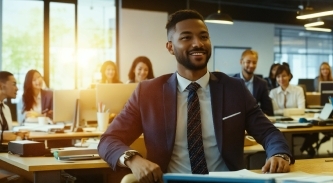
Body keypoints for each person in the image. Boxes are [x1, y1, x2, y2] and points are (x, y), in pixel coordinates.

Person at [98, 10, 292, 183]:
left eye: (203, 36)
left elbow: (269, 133)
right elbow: (109, 140)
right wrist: (134, 160)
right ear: (170, 47)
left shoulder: (235, 89)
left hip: (227, 180)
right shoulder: (148, 92)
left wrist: (279, 155)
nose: (198, 43)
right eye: (186, 38)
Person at [232, 49, 274, 116]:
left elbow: (268, 110)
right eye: (248, 62)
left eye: (254, 62)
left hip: (255, 121)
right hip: (235, 120)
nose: (251, 65)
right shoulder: (231, 82)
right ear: (241, 62)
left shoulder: (262, 84)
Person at [0, 71, 22, 182]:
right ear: (1, 85)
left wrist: (17, 135)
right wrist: (3, 135)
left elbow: (7, 136)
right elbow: (4, 135)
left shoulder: (6, 108)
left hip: (5, 157)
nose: (17, 88)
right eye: (13, 84)